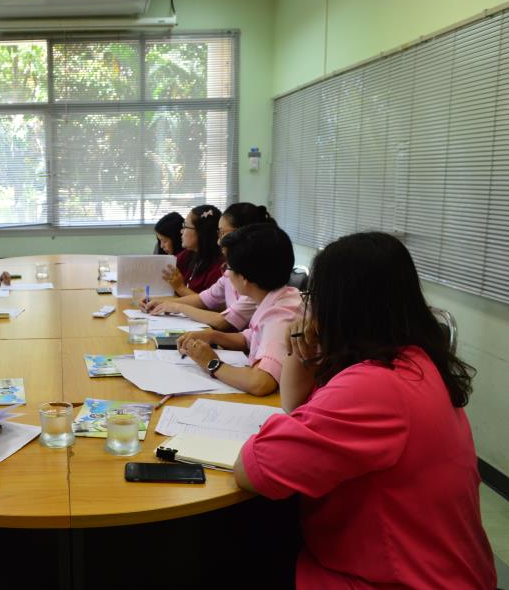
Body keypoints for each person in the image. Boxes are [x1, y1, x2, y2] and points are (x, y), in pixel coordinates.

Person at [233, 232, 496, 588]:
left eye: (315, 298)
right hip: (432, 567)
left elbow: (253, 470)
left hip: (400, 580)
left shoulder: (373, 387)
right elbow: (294, 405)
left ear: (340, 305)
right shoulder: (410, 361)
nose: (310, 308)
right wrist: (301, 342)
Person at [177, 223, 302, 396]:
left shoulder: (280, 318)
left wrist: (212, 363)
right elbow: (250, 338)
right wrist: (212, 336)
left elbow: (260, 383)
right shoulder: (281, 297)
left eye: (228, 267)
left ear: (244, 278)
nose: (226, 273)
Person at [142, 203, 275, 331]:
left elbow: (224, 322)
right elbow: (202, 299)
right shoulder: (229, 271)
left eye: (222, 233)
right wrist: (160, 302)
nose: (219, 241)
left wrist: (177, 306)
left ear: (240, 234)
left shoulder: (257, 281)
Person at [162, 204, 225, 296]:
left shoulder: (219, 267)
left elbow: (209, 303)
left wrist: (180, 288)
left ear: (201, 232)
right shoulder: (189, 254)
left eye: (185, 226)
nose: (181, 231)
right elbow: (165, 268)